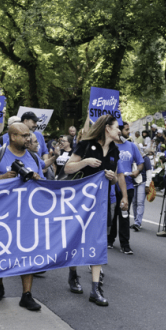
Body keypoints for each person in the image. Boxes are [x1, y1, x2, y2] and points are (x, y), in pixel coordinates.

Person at [0, 122, 44, 310]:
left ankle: (27, 295)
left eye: (29, 135)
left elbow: (45, 186)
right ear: (13, 137)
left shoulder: (34, 157)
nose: (28, 138)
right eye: (24, 135)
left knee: (28, 253)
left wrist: (38, 179)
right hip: (1, 215)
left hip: (27, 215)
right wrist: (3, 178)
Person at [64, 114, 125, 306]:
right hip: (79, 203)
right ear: (107, 128)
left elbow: (115, 178)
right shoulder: (85, 144)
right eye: (117, 128)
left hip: (101, 203)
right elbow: (67, 168)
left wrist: (112, 177)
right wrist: (86, 162)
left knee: (98, 242)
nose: (120, 131)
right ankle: (73, 274)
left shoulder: (116, 150)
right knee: (76, 239)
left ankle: (95, 288)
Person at [108, 122, 144, 254]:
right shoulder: (110, 145)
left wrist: (137, 171)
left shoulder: (131, 146)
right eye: (126, 129)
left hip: (127, 185)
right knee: (111, 213)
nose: (128, 132)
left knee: (124, 214)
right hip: (111, 186)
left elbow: (141, 163)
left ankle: (125, 244)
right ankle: (109, 239)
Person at [131, 147, 152, 231]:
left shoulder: (145, 158)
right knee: (134, 202)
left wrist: (147, 185)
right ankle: (136, 221)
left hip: (142, 182)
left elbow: (149, 172)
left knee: (140, 202)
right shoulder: (132, 158)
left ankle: (137, 222)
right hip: (133, 182)